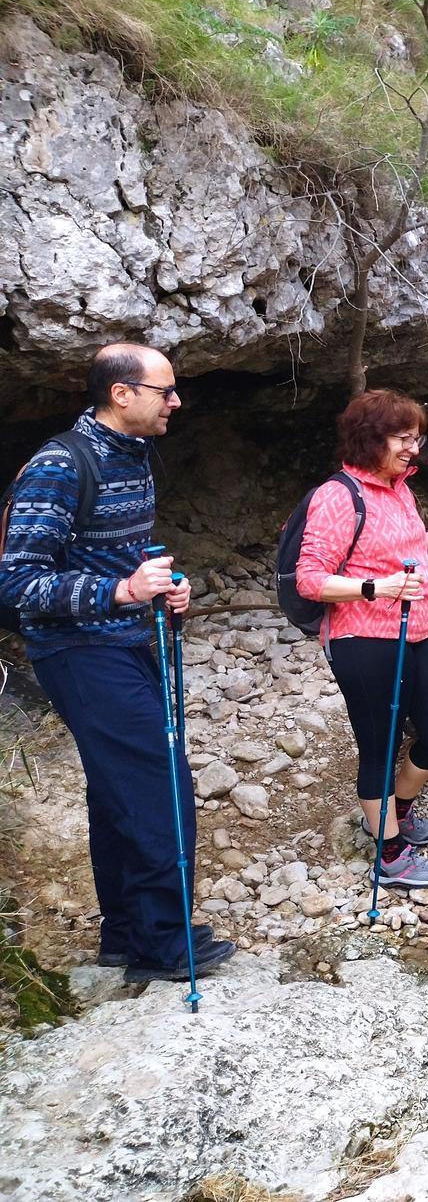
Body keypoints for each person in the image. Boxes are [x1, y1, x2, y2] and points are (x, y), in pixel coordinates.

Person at [0, 344, 233, 984]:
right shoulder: (58, 466)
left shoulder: (135, 458)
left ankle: (125, 934)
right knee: (160, 786)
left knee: (115, 792)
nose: (176, 401)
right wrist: (124, 593)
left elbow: (117, 564)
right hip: (78, 652)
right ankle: (167, 941)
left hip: (127, 642)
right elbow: (16, 584)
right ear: (122, 394)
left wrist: (164, 591)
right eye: (166, 390)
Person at [293, 389, 428, 891]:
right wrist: (374, 588)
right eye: (403, 439)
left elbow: (409, 549)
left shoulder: (399, 488)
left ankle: (395, 813)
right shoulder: (337, 496)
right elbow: (310, 579)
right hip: (363, 637)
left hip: (417, 629)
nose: (413, 449)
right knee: (379, 743)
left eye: (416, 438)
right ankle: (390, 853)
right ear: (369, 439)